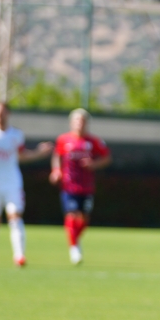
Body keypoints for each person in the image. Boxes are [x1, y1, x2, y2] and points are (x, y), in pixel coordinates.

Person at [0, 101, 53, 266]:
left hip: (12, 182)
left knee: (15, 216)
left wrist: (39, 153)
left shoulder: (16, 135)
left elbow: (21, 155)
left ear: (8, 113)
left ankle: (19, 255)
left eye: (1, 112)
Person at [50, 108, 111, 264]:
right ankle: (74, 249)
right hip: (69, 185)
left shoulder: (93, 141)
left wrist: (93, 164)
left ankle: (75, 241)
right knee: (72, 216)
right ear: (71, 122)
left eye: (82, 121)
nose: (80, 123)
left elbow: (106, 158)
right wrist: (56, 171)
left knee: (83, 220)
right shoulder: (63, 140)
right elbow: (57, 155)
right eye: (77, 120)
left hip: (87, 186)